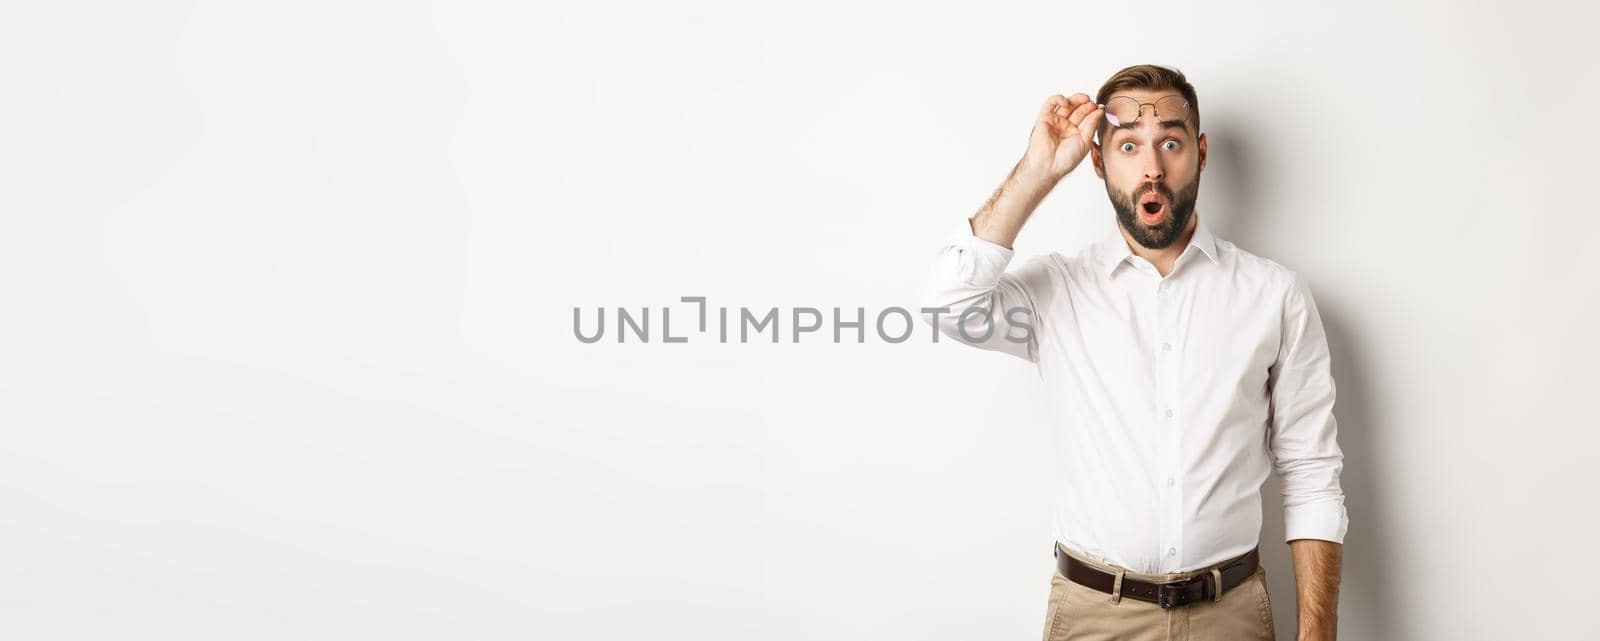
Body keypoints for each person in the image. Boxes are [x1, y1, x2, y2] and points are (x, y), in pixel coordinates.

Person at [920, 64, 1346, 641]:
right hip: (1095, 616)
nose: (1152, 168)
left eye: (1170, 142)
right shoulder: (1058, 290)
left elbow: (1312, 472)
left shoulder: (1274, 295)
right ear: (1097, 161)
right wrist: (1038, 171)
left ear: (1200, 152)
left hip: (1233, 616)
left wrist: (1317, 636)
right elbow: (948, 305)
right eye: (1127, 146)